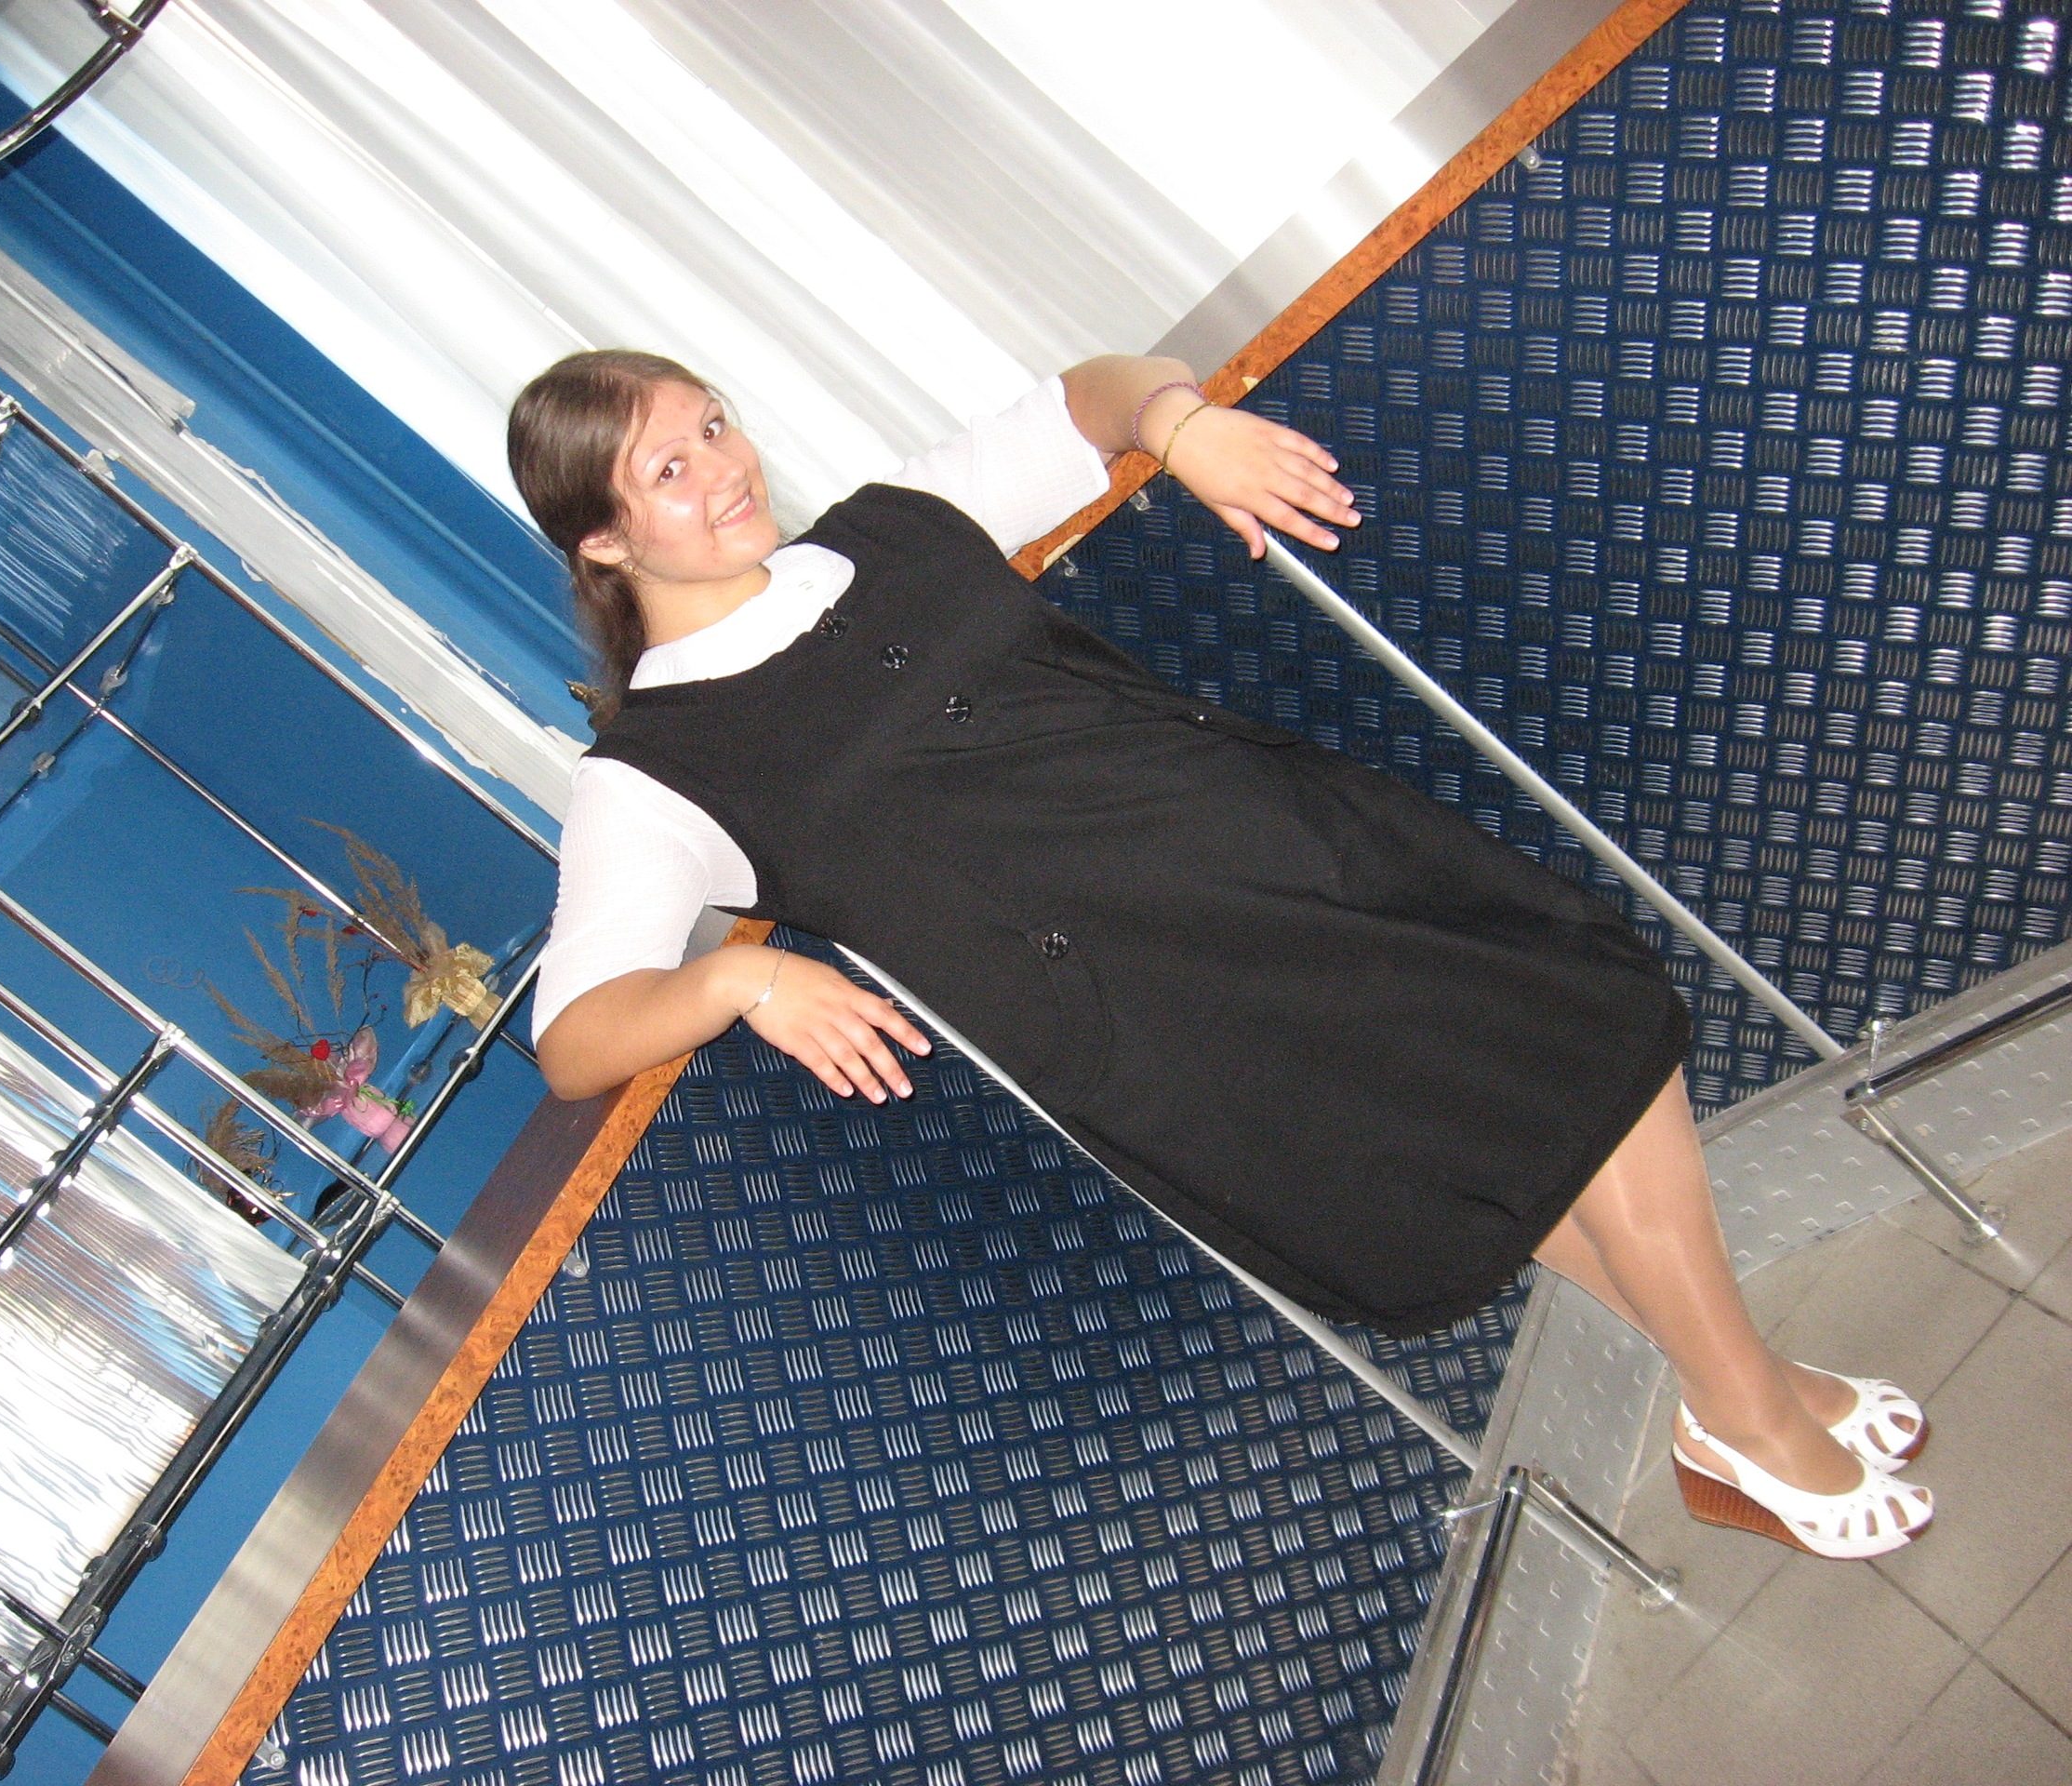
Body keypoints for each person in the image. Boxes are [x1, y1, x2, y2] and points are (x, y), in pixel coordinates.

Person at [508, 349, 1933, 1561]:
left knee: (1567, 1063)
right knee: (1563, 1098)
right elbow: (573, 1036)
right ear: (604, 545)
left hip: (1297, 848)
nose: (724, 469)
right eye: (669, 472)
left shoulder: (891, 530)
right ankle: (1748, 1415)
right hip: (1169, 1001)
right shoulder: (656, 771)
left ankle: (1738, 1396)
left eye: (712, 425)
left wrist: (1179, 424)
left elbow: (1091, 393)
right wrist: (738, 979)